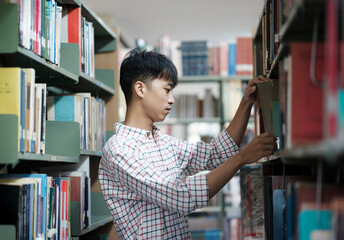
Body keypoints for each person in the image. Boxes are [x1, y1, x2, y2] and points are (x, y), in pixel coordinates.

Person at [98, 48, 277, 239]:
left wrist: (246, 103)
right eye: (167, 90)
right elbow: (181, 197)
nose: (172, 99)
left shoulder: (164, 142)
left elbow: (215, 154)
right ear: (140, 89)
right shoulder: (120, 149)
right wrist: (242, 158)